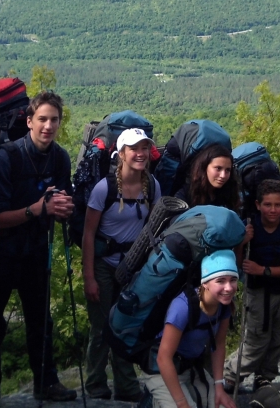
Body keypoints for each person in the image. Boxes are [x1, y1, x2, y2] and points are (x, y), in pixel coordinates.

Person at [0, 91, 77, 402]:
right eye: (43, 119)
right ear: (29, 121)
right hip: (2, 251)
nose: (49, 126)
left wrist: (62, 207)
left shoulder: (59, 158)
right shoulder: (6, 158)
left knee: (40, 320)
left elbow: (62, 199)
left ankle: (46, 382)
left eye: (54, 120)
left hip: (36, 250)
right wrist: (35, 210)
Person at [82, 128, 161, 402]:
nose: (140, 154)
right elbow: (88, 234)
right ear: (122, 153)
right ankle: (95, 385)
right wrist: (89, 277)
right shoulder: (104, 188)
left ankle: (126, 387)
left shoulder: (152, 185)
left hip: (134, 268)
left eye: (144, 148)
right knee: (102, 327)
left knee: (126, 326)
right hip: (104, 265)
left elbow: (155, 228)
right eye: (134, 149)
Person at [222, 179, 280, 391]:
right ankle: (230, 376)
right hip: (258, 290)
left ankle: (265, 379)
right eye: (268, 205)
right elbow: (240, 263)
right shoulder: (250, 226)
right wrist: (242, 242)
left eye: (278, 205)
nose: (273, 210)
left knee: (279, 337)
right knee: (257, 339)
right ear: (258, 205)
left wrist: (263, 270)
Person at [143, 250, 239, 408]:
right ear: (205, 283)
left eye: (233, 280)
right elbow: (163, 358)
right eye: (220, 281)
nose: (228, 288)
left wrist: (219, 387)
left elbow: (219, 345)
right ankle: (153, 400)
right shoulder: (182, 307)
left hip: (191, 368)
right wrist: (182, 403)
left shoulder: (224, 305)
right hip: (161, 370)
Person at [174, 143, 241, 212]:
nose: (223, 175)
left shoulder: (229, 194)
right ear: (204, 167)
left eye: (227, 170)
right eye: (218, 168)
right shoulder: (185, 196)